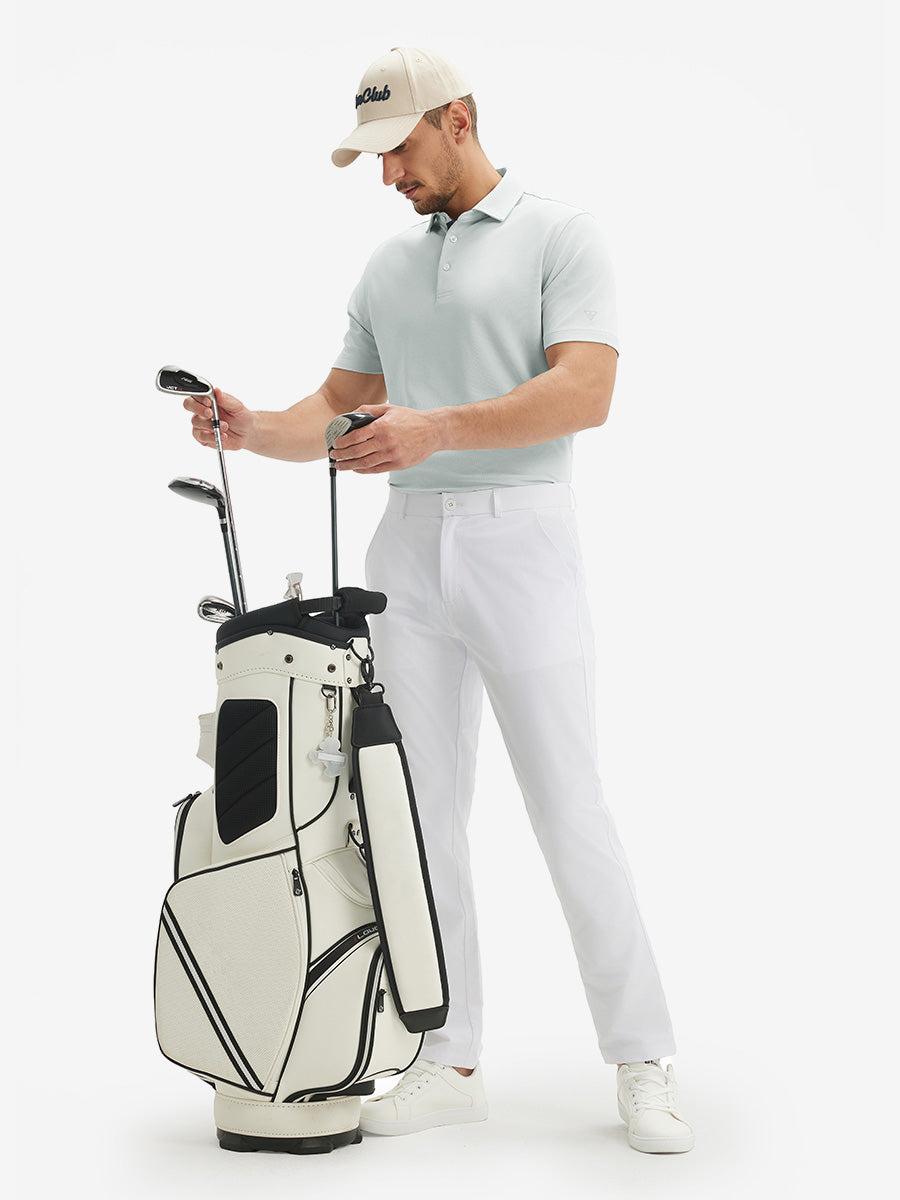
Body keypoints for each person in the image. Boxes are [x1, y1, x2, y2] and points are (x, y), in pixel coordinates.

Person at [183, 45, 693, 1155]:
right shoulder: (387, 266)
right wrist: (249, 426)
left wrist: (438, 428)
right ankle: (448, 1057)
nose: (388, 176)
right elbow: (335, 406)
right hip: (405, 550)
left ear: (458, 118)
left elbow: (586, 392)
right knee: (415, 813)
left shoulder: (562, 233)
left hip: (522, 536)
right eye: (374, 158)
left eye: (400, 149)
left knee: (569, 805)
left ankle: (642, 1058)